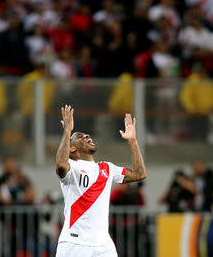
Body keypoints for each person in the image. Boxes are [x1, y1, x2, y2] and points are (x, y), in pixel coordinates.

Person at [55, 105, 147, 257]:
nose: (86, 136)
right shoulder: (72, 167)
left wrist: (133, 141)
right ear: (72, 149)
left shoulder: (108, 168)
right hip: (74, 244)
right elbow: (60, 165)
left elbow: (140, 173)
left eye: (86, 135)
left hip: (104, 245)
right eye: (79, 136)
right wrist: (67, 132)